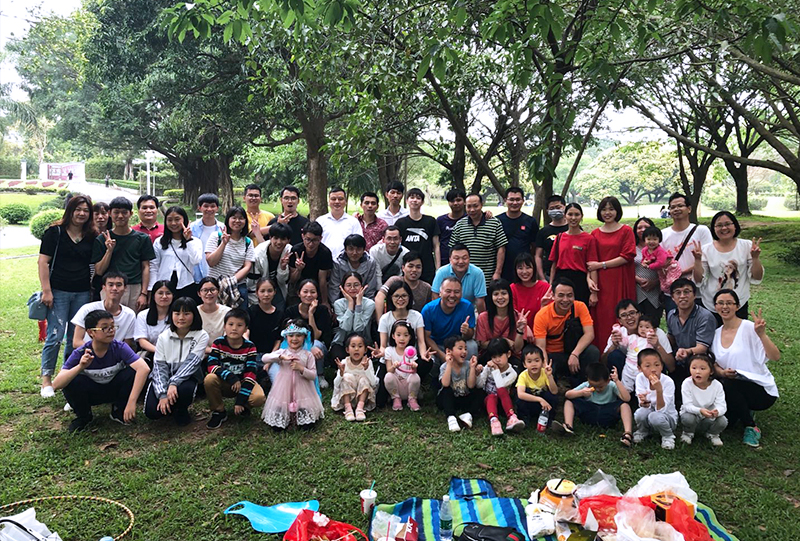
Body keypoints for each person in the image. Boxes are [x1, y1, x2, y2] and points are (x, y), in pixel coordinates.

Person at [38, 195, 97, 398]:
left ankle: (67, 376)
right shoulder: (54, 233)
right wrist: (47, 290)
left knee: (75, 338)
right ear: (69, 211)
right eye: (77, 209)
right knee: (55, 335)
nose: (81, 213)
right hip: (58, 291)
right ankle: (46, 379)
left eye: (86, 210)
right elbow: (43, 262)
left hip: (82, 292)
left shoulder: (91, 235)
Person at [53, 309, 150, 433]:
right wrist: (80, 366)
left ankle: (118, 410)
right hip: (92, 393)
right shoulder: (81, 352)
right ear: (91, 332)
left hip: (114, 389)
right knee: (71, 379)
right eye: (104, 328)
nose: (111, 330)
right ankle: (84, 416)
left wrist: (132, 402)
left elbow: (144, 369)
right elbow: (56, 384)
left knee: (132, 371)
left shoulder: (119, 347)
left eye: (112, 326)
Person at [710, 289, 780, 448]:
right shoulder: (715, 334)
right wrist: (722, 372)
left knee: (729, 385)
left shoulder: (749, 328)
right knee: (728, 423)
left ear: (737, 306)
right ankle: (742, 410)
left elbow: (775, 356)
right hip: (731, 385)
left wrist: (762, 334)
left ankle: (751, 426)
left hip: (760, 389)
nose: (725, 307)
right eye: (721, 303)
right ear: (715, 307)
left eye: (729, 303)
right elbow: (714, 364)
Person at [144, 297, 209, 425]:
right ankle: (169, 406)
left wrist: (174, 383)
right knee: (152, 412)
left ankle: (180, 409)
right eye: (177, 313)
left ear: (194, 315)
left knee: (184, 390)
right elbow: (159, 366)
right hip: (166, 377)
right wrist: (163, 394)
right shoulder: (163, 337)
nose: (181, 318)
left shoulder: (201, 335)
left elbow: (192, 363)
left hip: (187, 378)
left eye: (186, 313)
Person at [693, 211, 763, 324]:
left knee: (737, 333)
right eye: (719, 225)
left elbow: (757, 277)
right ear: (714, 228)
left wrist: (755, 258)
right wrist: (697, 260)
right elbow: (698, 280)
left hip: (738, 302)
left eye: (727, 224)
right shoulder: (706, 249)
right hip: (712, 303)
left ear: (735, 226)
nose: (724, 228)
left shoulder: (746, 246)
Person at [204, 308, 266, 428]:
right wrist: (231, 377)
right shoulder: (218, 343)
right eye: (230, 324)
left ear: (246, 329)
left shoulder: (250, 346)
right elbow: (211, 366)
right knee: (209, 379)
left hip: (243, 382)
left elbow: (251, 374)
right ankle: (219, 411)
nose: (234, 328)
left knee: (258, 398)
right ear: (224, 327)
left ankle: (244, 405)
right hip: (225, 381)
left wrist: (240, 400)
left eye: (239, 325)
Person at [92, 197, 156, 311]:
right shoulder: (102, 239)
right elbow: (99, 271)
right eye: (116, 212)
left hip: (134, 287)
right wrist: (109, 250)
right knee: (108, 320)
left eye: (124, 212)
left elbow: (146, 267)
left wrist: (144, 293)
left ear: (131, 214)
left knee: (132, 320)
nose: (120, 216)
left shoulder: (142, 238)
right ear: (110, 213)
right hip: (110, 287)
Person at [588, 196, 636, 348]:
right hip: (602, 284)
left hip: (621, 280)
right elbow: (591, 263)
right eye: (604, 209)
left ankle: (628, 352)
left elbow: (627, 256)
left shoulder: (626, 231)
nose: (607, 212)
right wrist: (590, 282)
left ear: (617, 211)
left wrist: (602, 264)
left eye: (611, 209)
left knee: (624, 315)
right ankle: (604, 352)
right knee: (603, 317)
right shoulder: (595, 234)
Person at [260, 320, 324, 429]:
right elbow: (264, 358)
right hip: (283, 390)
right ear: (286, 337)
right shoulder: (282, 352)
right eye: (291, 335)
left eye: (298, 335)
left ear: (304, 337)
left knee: (307, 425)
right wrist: (280, 357)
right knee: (278, 425)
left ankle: (299, 417)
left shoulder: (308, 355)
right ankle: (286, 417)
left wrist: (301, 369)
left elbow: (313, 375)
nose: (294, 339)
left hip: (303, 391)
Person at [533, 278, 599, 382]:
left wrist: (575, 354)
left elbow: (589, 334)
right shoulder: (542, 315)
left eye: (569, 295)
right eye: (561, 295)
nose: (565, 300)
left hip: (575, 350)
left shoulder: (580, 306)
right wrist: (546, 367)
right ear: (553, 296)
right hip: (553, 355)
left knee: (592, 352)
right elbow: (541, 347)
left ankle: (587, 384)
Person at [557, 363, 634, 447]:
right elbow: (568, 394)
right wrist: (581, 392)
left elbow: (627, 398)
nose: (597, 389)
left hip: (607, 413)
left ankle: (627, 434)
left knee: (625, 405)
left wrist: (617, 381)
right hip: (590, 411)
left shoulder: (612, 385)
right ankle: (568, 426)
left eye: (600, 387)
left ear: (608, 381)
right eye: (593, 386)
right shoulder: (586, 385)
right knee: (569, 401)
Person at [602, 299, 674, 390]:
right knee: (614, 355)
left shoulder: (655, 332)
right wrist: (613, 345)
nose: (629, 317)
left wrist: (657, 346)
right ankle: (623, 392)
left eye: (632, 313)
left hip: (650, 377)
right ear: (619, 320)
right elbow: (603, 363)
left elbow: (671, 367)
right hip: (628, 373)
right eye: (624, 315)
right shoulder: (619, 334)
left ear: (639, 314)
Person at [661, 193, 713, 313]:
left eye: (680, 206)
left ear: (689, 209)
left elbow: (707, 258)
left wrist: (681, 272)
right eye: (672, 207)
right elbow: (661, 262)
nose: (676, 209)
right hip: (673, 293)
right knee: (675, 323)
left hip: (698, 291)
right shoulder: (663, 234)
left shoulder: (701, 231)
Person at [449, 193, 508, 287]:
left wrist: (497, 272)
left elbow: (501, 248)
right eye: (469, 206)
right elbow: (452, 250)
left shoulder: (494, 223)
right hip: (464, 277)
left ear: (482, 204)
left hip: (487, 277)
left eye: (475, 206)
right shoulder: (459, 225)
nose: (472, 210)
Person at [665, 278, 717, 384]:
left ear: (694, 295)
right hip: (679, 361)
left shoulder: (705, 317)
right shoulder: (671, 315)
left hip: (700, 363)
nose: (682, 296)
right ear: (673, 298)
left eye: (686, 292)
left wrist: (687, 351)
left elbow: (702, 348)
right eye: (678, 293)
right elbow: (671, 338)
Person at [421, 277, 478, 371]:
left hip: (458, 345)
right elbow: (426, 337)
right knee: (429, 358)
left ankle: (468, 373)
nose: (452, 295)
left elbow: (469, 335)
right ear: (440, 293)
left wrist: (466, 331)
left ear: (461, 293)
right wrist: (443, 356)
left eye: (456, 292)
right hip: (437, 345)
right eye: (448, 291)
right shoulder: (429, 309)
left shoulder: (467, 306)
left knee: (472, 346)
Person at [284, 279, 333, 388]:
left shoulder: (322, 310)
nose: (309, 295)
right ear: (299, 293)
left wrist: (311, 314)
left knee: (316, 344)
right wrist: (307, 346)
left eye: (312, 292)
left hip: (318, 346)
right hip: (296, 344)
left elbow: (316, 336)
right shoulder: (291, 311)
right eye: (305, 292)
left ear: (317, 294)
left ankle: (319, 375)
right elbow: (289, 335)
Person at [548, 202, 598, 306]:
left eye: (577, 214)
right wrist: (551, 286)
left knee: (579, 310)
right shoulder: (560, 237)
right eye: (570, 214)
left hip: (580, 281)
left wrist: (594, 293)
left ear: (581, 216)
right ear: (565, 216)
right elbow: (554, 264)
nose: (573, 218)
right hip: (561, 279)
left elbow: (592, 266)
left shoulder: (588, 238)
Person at [149, 206, 203, 300]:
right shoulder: (159, 242)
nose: (173, 223)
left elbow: (196, 261)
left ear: (184, 220)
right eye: (169, 220)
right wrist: (152, 287)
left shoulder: (195, 241)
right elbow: (154, 266)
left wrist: (188, 240)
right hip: (164, 285)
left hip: (186, 284)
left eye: (177, 219)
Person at [72, 272, 137, 349]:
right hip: (87, 352)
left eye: (119, 285)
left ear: (125, 288)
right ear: (104, 287)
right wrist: (96, 351)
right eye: (110, 285)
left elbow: (126, 346)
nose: (114, 288)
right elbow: (77, 342)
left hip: (114, 355)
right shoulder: (87, 309)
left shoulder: (130, 315)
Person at [205, 207, 254, 308]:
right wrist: (223, 244)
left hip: (237, 287)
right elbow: (211, 262)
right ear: (228, 219)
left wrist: (230, 282)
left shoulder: (248, 242)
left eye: (241, 218)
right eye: (234, 218)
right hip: (215, 286)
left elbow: (247, 266)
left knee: (239, 316)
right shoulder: (216, 236)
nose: (237, 221)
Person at [477, 339, 526, 436]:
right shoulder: (488, 368)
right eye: (494, 357)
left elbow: (500, 386)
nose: (497, 360)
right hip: (489, 403)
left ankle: (511, 417)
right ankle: (494, 421)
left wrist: (496, 370)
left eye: (500, 356)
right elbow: (479, 385)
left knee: (502, 391)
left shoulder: (512, 373)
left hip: (504, 404)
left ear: (508, 354)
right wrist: (477, 374)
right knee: (491, 396)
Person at [633, 348, 678, 449]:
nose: (653, 369)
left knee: (654, 416)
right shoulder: (640, 378)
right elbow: (642, 404)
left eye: (657, 365)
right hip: (650, 412)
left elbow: (661, 410)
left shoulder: (668, 382)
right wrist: (643, 402)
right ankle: (643, 431)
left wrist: (659, 390)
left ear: (662, 366)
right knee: (640, 413)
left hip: (667, 417)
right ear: (640, 368)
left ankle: (668, 436)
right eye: (647, 366)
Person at [680, 353, 727, 447]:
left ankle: (712, 434)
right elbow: (687, 405)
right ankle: (688, 433)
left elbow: (722, 405)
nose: (697, 372)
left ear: (711, 371)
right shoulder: (687, 383)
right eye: (694, 368)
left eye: (702, 369)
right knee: (687, 418)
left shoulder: (717, 385)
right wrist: (700, 410)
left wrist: (716, 412)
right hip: (693, 414)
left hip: (709, 417)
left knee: (723, 421)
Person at [396, 188, 441, 284]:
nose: (415, 200)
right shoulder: (400, 223)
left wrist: (438, 268)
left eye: (418, 198)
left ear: (422, 202)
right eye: (412, 197)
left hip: (427, 267)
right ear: (407, 201)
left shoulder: (430, 221)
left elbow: (436, 246)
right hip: (407, 268)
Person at [331, 333, 379, 421]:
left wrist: (366, 369)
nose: (356, 349)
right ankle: (348, 408)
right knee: (346, 377)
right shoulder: (344, 362)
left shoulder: (368, 362)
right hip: (347, 396)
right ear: (347, 349)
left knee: (364, 379)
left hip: (363, 397)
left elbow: (373, 383)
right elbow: (336, 384)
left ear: (365, 350)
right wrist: (341, 373)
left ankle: (360, 408)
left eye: (360, 346)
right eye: (353, 346)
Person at [476, 279, 531, 355]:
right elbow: (483, 345)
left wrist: (520, 331)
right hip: (490, 355)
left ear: (509, 295)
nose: (500, 297)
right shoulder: (483, 317)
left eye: (504, 293)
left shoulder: (518, 318)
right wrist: (504, 341)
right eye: (496, 294)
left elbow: (517, 349)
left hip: (511, 356)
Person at [437, 335, 480, 433]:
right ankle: (451, 418)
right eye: (460, 348)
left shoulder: (468, 365)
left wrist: (472, 368)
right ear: (449, 351)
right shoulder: (444, 366)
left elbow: (471, 385)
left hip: (463, 397)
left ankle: (468, 415)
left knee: (480, 392)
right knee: (446, 391)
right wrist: (449, 364)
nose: (464, 352)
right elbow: (445, 384)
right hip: (449, 399)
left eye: (465, 349)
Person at [330, 272, 376, 363]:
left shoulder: (369, 304)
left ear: (362, 287)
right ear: (343, 288)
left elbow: (358, 328)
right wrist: (350, 304)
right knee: (338, 357)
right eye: (348, 285)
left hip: (363, 342)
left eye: (356, 285)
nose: (352, 288)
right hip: (342, 341)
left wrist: (358, 304)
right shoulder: (338, 304)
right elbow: (346, 327)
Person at [374, 252, 432, 320]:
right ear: (403, 268)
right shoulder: (394, 281)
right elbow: (379, 297)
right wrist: (380, 322)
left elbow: (431, 308)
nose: (414, 270)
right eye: (410, 266)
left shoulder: (426, 288)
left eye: (418, 267)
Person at [497, 187, 538, 282]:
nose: (515, 203)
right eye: (511, 199)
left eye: (518, 199)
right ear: (505, 200)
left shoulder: (530, 221)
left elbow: (534, 247)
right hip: (502, 268)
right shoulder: (497, 221)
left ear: (523, 200)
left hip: (523, 269)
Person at [247, 277, 284, 383]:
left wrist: (270, 359)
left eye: (269, 291)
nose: (266, 294)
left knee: (278, 380)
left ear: (274, 292)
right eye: (262, 291)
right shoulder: (251, 312)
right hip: (253, 355)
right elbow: (246, 333)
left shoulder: (280, 314)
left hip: (272, 355)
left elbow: (278, 340)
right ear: (257, 293)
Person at [247, 223, 292, 309]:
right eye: (276, 238)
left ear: (288, 240)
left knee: (280, 309)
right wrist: (257, 305)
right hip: (260, 288)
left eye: (283, 239)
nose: (279, 242)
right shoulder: (257, 254)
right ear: (270, 238)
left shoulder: (289, 252)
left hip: (278, 287)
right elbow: (253, 284)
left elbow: (283, 281)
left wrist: (283, 268)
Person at [288, 221, 333, 307]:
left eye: (315, 240)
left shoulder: (325, 253)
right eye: (308, 239)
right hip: (298, 285)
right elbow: (292, 279)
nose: (311, 244)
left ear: (320, 238)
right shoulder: (296, 250)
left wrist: (325, 301)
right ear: (303, 236)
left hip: (316, 286)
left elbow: (322, 280)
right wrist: (298, 270)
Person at [431, 244, 487, 312]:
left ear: (469, 259)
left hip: (468, 310)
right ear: (450, 259)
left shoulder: (478, 273)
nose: (461, 262)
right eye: (456, 258)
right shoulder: (441, 272)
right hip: (445, 310)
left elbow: (480, 301)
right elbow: (435, 296)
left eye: (464, 258)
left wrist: (481, 318)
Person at [328, 234, 381, 305]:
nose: (355, 253)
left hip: (363, 300)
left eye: (358, 249)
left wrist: (369, 305)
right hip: (342, 300)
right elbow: (334, 287)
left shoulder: (370, 262)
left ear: (364, 250)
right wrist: (335, 305)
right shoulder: (337, 263)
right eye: (351, 249)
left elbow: (370, 287)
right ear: (345, 249)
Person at [383, 320, 423, 411]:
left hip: (409, 385)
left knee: (415, 377)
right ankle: (396, 398)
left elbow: (414, 371)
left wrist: (413, 366)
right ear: (393, 336)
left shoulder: (411, 351)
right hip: (396, 385)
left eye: (406, 335)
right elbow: (389, 370)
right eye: (398, 335)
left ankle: (412, 399)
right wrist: (394, 366)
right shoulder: (389, 350)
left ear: (410, 337)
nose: (402, 338)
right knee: (388, 376)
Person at [515, 344, 558, 427]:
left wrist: (549, 376)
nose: (533, 364)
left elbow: (554, 391)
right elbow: (520, 394)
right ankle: (524, 419)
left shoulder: (545, 373)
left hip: (543, 406)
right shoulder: (523, 375)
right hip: (530, 403)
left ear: (542, 362)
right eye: (529, 361)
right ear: (524, 364)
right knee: (521, 397)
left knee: (551, 396)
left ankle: (549, 419)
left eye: (537, 360)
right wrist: (539, 399)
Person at [134, 280, 174, 364]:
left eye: (168, 293)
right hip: (149, 354)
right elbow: (142, 341)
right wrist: (160, 351)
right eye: (160, 293)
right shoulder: (143, 315)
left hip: (172, 354)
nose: (164, 296)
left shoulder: (177, 315)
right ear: (153, 296)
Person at [632, 217, 663, 324]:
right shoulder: (631, 247)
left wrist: (655, 282)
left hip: (655, 290)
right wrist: (637, 279)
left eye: (646, 227)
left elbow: (666, 268)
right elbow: (626, 268)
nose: (643, 230)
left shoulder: (660, 249)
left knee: (653, 323)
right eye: (639, 227)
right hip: (636, 290)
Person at [189, 193, 225, 283]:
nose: (209, 209)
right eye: (206, 206)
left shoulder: (223, 228)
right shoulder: (192, 228)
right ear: (199, 207)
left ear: (217, 208)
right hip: (196, 274)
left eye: (212, 206)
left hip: (217, 273)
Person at [510, 252, 552, 330]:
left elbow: (550, 314)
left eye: (528, 267)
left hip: (542, 330)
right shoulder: (512, 288)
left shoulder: (545, 287)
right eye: (520, 268)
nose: (524, 272)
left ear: (534, 268)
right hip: (519, 330)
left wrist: (543, 306)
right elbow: (512, 315)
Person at [319, 187, 361, 259]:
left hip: (346, 262)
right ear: (329, 202)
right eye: (333, 199)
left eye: (340, 199)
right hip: (324, 261)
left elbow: (358, 243)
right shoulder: (320, 221)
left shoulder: (353, 222)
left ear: (345, 201)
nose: (337, 202)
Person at [535, 195, 568, 282]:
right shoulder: (543, 231)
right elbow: (538, 256)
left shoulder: (573, 228)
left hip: (570, 273)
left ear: (564, 207)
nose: (555, 210)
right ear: (547, 211)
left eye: (558, 207)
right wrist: (542, 278)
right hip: (549, 275)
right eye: (552, 208)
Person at [197, 277, 231, 352]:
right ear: (199, 293)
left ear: (218, 291)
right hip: (199, 353)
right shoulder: (195, 312)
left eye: (212, 290)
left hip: (223, 352)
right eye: (205, 290)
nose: (209, 293)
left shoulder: (228, 312)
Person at [436, 188, 466, 265]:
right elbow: (436, 243)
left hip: (463, 261)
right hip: (444, 260)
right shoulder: (440, 220)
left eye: (458, 200)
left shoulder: (469, 219)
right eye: (452, 201)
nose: (455, 203)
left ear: (464, 202)